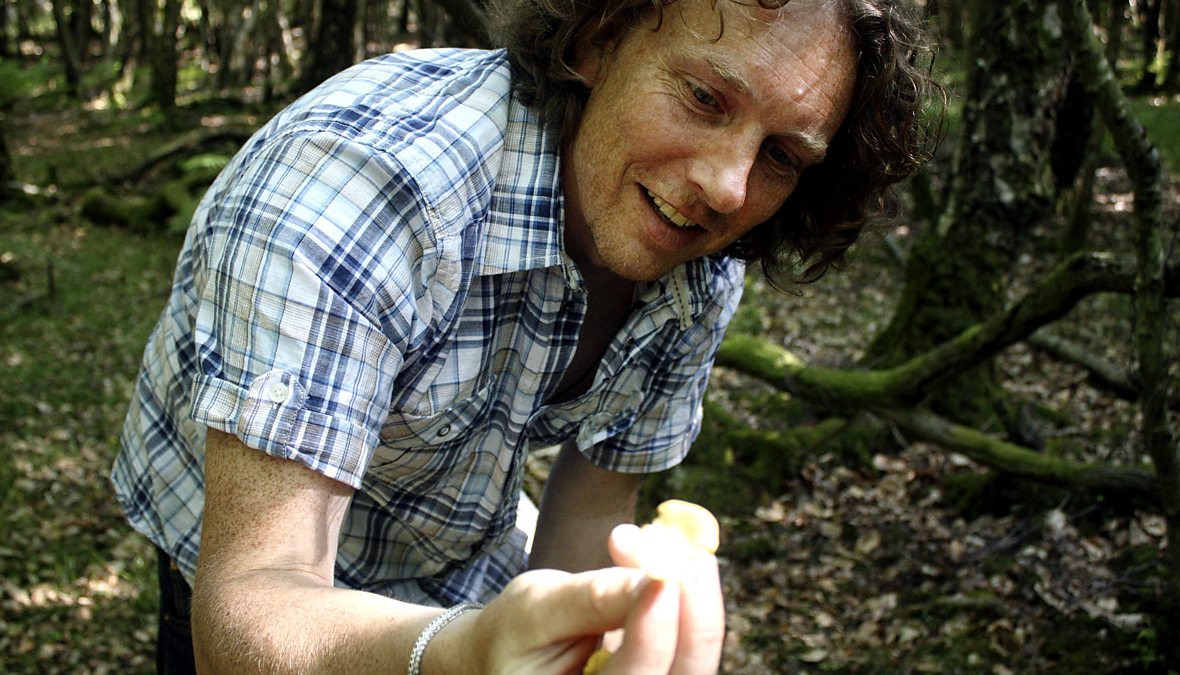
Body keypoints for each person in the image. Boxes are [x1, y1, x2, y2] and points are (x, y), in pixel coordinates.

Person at [111, 0, 934, 672]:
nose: (728, 186)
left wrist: (581, 644)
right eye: (704, 98)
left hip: (455, 547)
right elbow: (248, 612)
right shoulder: (359, 191)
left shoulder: (700, 256)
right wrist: (466, 652)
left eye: (782, 154)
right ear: (599, 37)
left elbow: (593, 507)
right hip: (234, 557)